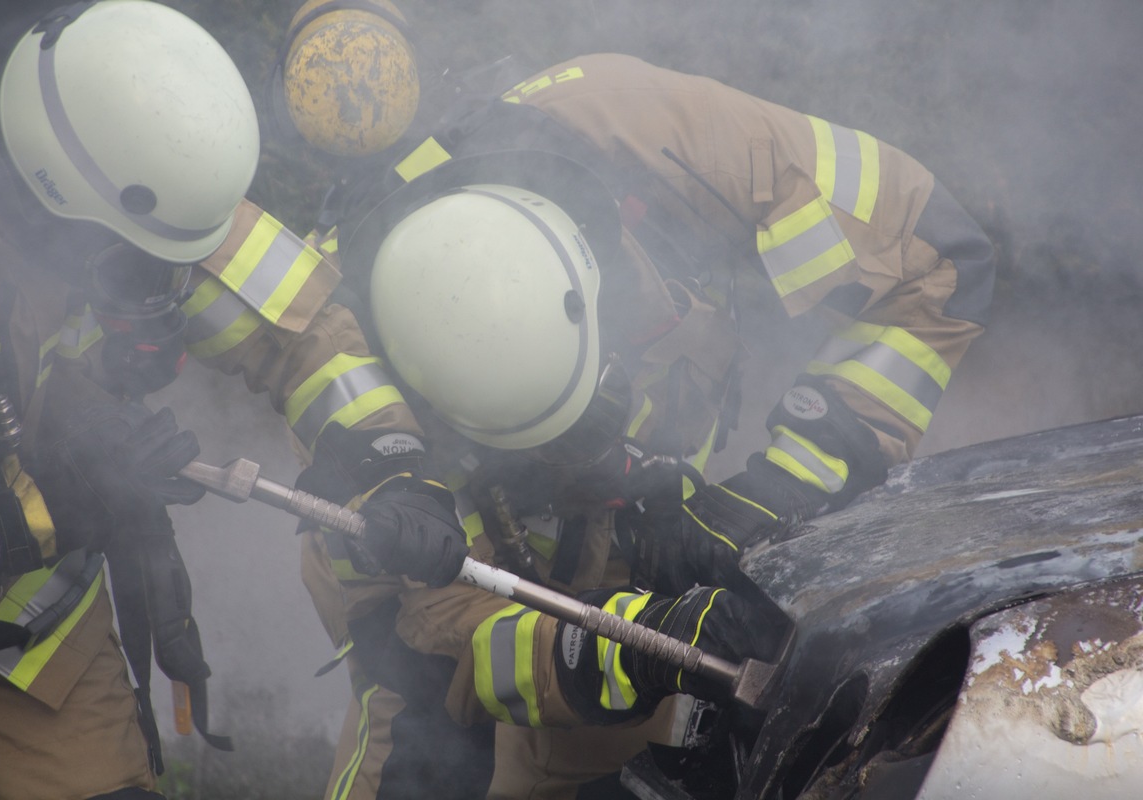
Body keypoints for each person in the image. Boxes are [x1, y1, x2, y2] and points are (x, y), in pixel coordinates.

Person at [264, 42, 995, 800]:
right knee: (425, 746)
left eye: (598, 396)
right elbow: (441, 633)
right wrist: (621, 654)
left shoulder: (656, 132)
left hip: (619, 544)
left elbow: (936, 258)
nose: (603, 449)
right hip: (460, 582)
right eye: (544, 444)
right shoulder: (346, 390)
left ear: (596, 274)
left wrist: (780, 486)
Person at [0, 0, 289, 796]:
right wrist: (41, 509)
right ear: (40, 195)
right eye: (113, 256)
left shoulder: (112, 151)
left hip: (12, 635)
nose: (125, 274)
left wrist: (387, 453)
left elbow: (300, 319)